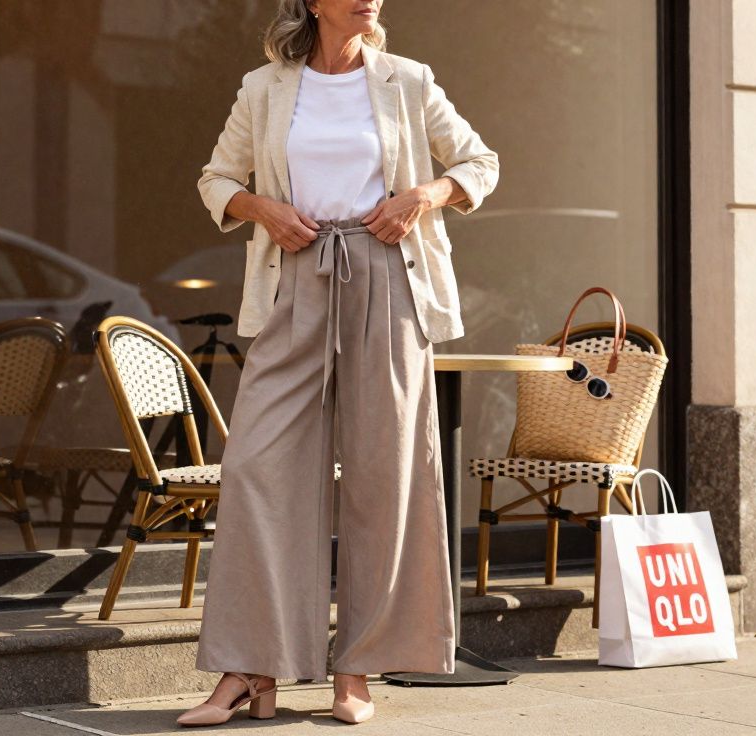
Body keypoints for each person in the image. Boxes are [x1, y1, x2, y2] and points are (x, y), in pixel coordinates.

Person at [182, 0, 498, 727]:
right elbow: (214, 180)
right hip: (295, 277)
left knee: (382, 474)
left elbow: (481, 161)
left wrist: (426, 194)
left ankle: (355, 669)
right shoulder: (264, 87)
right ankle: (250, 666)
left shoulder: (408, 81)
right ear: (313, 3)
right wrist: (263, 210)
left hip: (387, 277)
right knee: (257, 466)